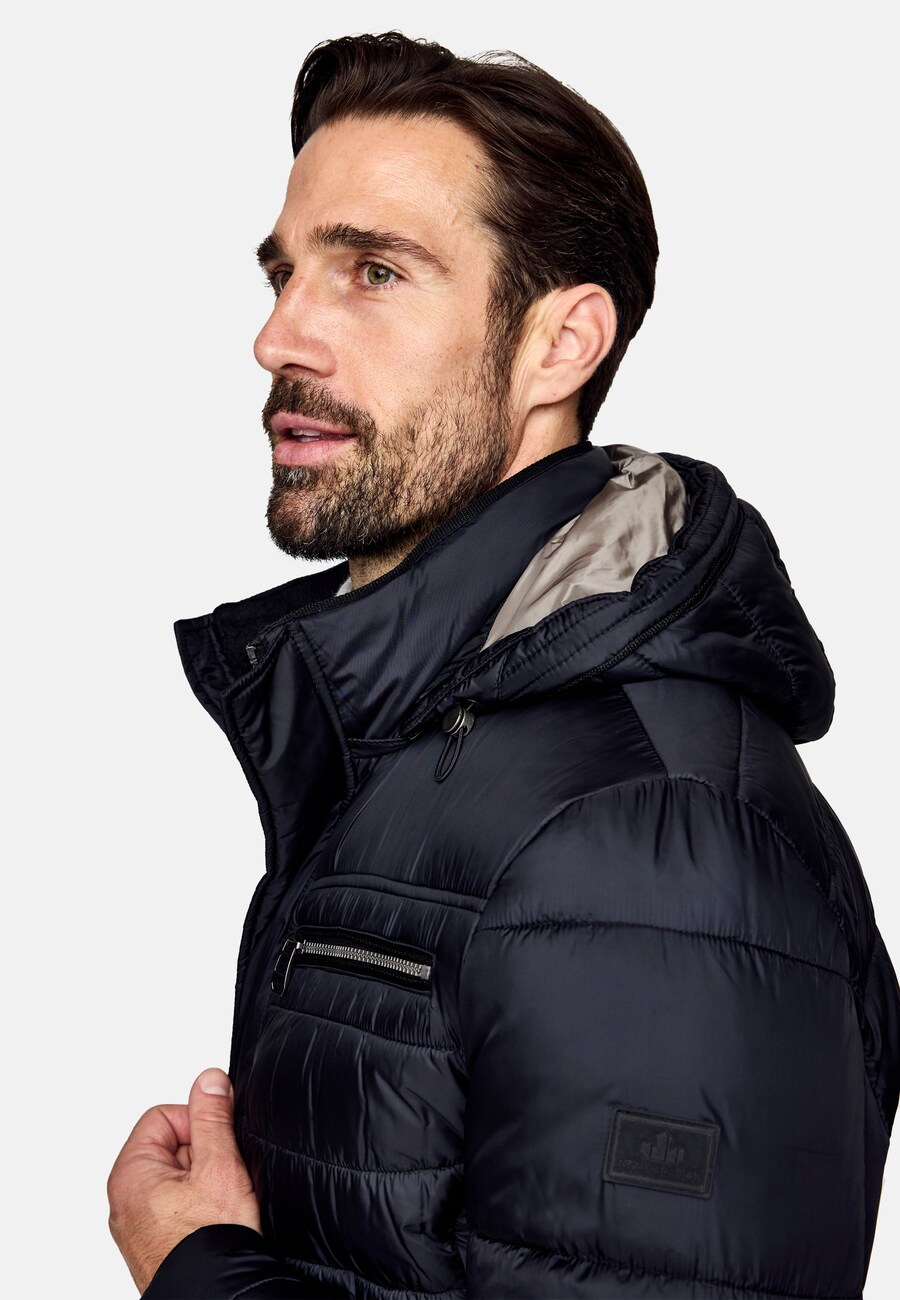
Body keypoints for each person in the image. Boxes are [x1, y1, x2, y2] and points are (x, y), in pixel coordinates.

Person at [108, 30, 900, 1299]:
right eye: (284, 273)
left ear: (560, 344)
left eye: (373, 271)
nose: (280, 337)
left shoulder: (658, 837)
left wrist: (195, 1268)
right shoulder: (433, 738)